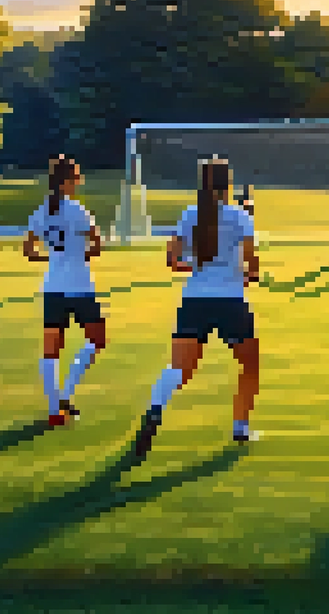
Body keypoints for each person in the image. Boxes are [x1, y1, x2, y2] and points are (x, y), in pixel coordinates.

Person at [136, 157, 263, 453]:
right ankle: (240, 427)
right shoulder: (240, 216)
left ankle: (155, 408)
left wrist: (194, 266)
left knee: (180, 369)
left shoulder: (189, 215)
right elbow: (251, 261)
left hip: (194, 299)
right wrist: (249, 274)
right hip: (230, 300)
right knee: (250, 366)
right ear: (227, 184)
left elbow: (172, 259)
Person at [23, 156, 106, 428]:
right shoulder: (77, 210)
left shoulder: (42, 210)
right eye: (77, 177)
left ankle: (53, 410)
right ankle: (66, 394)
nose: (80, 182)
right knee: (96, 340)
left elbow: (28, 249)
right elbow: (97, 243)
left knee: (51, 350)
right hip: (80, 286)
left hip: (53, 288)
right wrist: (81, 254)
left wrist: (51, 260)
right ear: (68, 181)